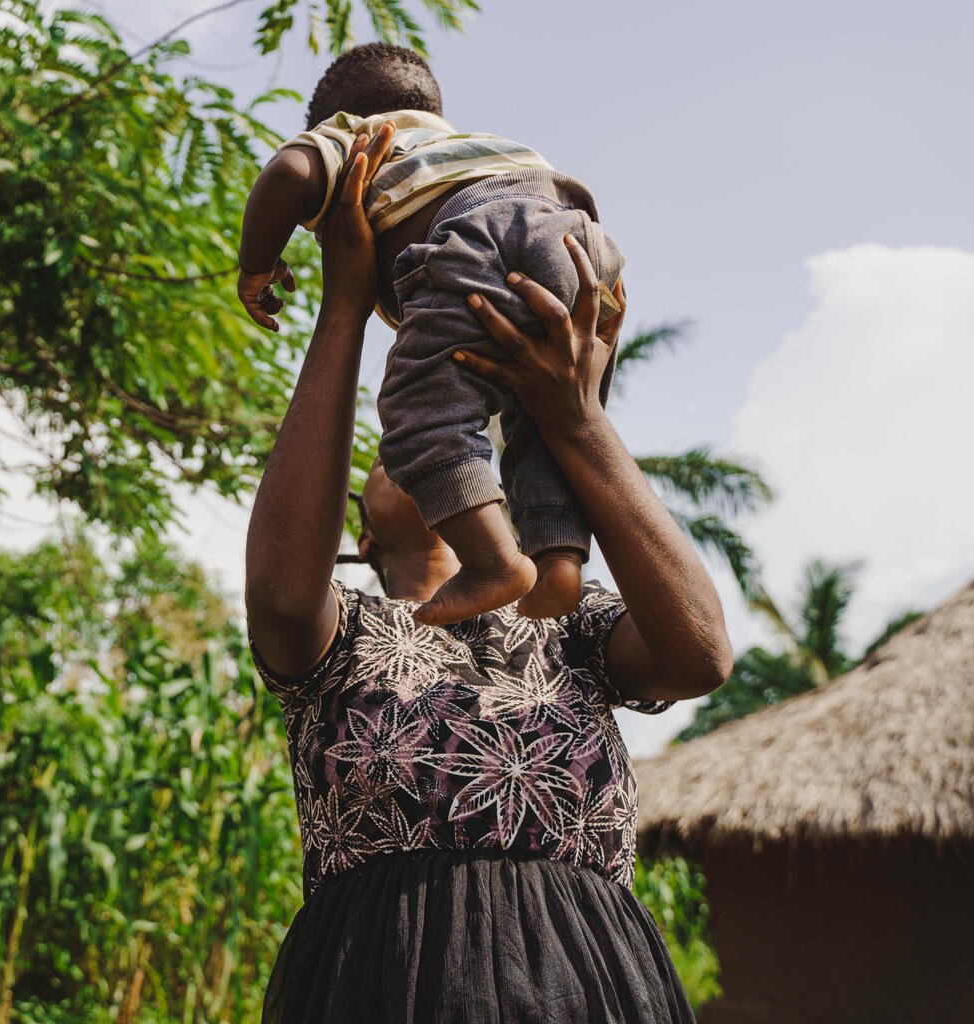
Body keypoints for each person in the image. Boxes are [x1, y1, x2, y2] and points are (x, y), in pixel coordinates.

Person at [245, 127, 734, 1023]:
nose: (442, 445)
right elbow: (279, 590)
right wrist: (345, 303)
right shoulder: (340, 638)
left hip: (587, 987)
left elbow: (700, 655)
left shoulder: (566, 623)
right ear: (358, 525)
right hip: (376, 990)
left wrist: (574, 417)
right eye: (400, 452)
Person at [238, 43, 626, 626]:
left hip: (480, 241)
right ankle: (559, 556)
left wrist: (255, 266)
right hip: (583, 247)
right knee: (539, 421)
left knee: (418, 410)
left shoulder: (358, 139)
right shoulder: (477, 145)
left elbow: (288, 174)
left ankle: (495, 561)